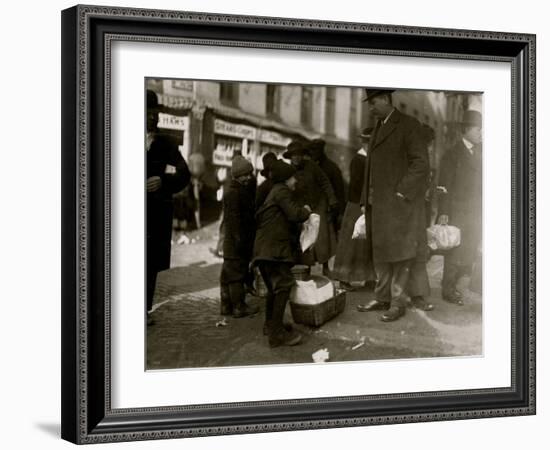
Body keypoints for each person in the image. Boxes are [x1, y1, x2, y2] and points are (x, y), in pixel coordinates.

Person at [356, 88, 430, 322]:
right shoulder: (379, 125)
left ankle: (397, 302)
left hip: (399, 204)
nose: (370, 108)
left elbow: (421, 164)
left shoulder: (409, 124)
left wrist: (401, 192)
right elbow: (371, 168)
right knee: (381, 254)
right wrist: (363, 200)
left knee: (400, 255)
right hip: (378, 204)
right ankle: (382, 298)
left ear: (386, 100)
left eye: (373, 102)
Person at [253, 160, 312, 347]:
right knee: (284, 285)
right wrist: (306, 211)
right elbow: (295, 214)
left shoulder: (275, 191)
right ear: (287, 179)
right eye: (293, 177)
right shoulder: (282, 191)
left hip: (264, 250)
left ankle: (270, 325)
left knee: (274, 288)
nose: (295, 181)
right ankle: (276, 334)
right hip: (273, 250)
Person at [146, 89, 191, 325]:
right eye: (147, 112)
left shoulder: (167, 143)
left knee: (149, 262)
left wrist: (164, 182)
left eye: (156, 113)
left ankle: (143, 308)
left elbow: (185, 173)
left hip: (155, 213)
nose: (153, 117)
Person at [437, 110, 483, 305]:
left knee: (469, 248)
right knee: (454, 250)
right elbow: (443, 187)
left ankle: (456, 284)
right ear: (465, 130)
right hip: (457, 210)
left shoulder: (481, 152)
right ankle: (448, 289)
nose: (481, 133)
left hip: (475, 211)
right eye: (477, 129)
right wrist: (444, 212)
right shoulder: (452, 154)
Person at [283, 140, 338, 275]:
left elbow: (325, 182)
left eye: (299, 154)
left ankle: (325, 267)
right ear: (290, 157)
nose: (296, 157)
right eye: (293, 155)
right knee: (304, 238)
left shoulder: (312, 166)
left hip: (318, 204)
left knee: (322, 237)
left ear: (303, 155)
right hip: (301, 208)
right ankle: (305, 269)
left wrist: (332, 200)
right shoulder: (287, 171)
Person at [332, 127, 376, 290]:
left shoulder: (368, 159)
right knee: (352, 243)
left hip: (366, 203)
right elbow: (357, 186)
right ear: (366, 143)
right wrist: (363, 204)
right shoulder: (359, 160)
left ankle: (369, 277)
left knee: (366, 243)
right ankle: (344, 278)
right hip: (358, 205)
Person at [219, 155, 259, 318]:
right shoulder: (235, 193)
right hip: (236, 242)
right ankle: (239, 307)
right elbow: (235, 222)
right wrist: (240, 243)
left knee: (227, 274)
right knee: (236, 275)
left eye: (250, 174)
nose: (249, 177)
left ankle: (226, 306)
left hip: (232, 242)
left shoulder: (235, 190)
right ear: (237, 175)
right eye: (246, 175)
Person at [308, 139, 346, 232]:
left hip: (328, 210)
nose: (313, 153)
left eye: (315, 150)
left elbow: (340, 191)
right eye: (311, 150)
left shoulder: (332, 168)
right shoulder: (310, 167)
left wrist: (340, 213)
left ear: (321, 151)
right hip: (313, 209)